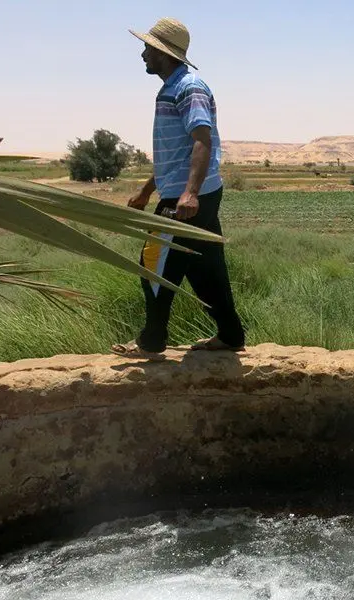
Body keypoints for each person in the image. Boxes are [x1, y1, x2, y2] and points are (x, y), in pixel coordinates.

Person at [111, 17, 245, 358]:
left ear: (163, 53)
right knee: (204, 267)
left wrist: (190, 193)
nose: (143, 54)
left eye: (148, 48)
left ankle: (152, 341)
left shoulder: (189, 87)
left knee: (153, 262)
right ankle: (231, 335)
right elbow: (176, 154)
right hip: (191, 192)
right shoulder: (171, 88)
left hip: (188, 198)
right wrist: (147, 190)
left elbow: (202, 139)